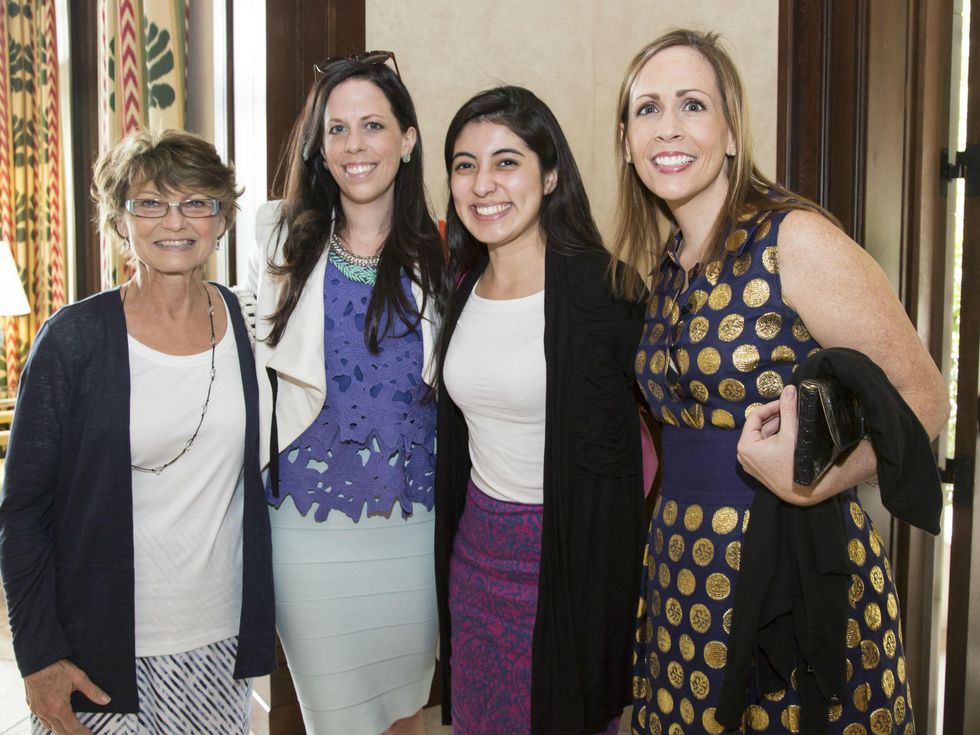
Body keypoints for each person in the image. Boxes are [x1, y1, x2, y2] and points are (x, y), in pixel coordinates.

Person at [613, 29, 949, 734]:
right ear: (625, 140)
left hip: (792, 569)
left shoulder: (791, 239)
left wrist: (818, 479)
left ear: (731, 133)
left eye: (692, 105)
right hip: (680, 569)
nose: (667, 128)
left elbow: (925, 396)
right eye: (647, 109)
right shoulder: (665, 266)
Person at [0, 128, 276, 735]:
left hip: (221, 638)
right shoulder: (72, 340)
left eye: (196, 201)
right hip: (101, 646)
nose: (174, 220)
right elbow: (22, 513)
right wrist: (40, 655)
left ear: (222, 217)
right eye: (150, 203)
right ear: (120, 220)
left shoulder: (246, 322)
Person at [434, 85, 646, 735]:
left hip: (569, 562)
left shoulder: (604, 288)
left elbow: (663, 431)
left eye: (507, 161)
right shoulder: (461, 286)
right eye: (465, 164)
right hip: (476, 558)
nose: (483, 183)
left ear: (550, 174)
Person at [246, 52, 444, 735]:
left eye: (373, 125)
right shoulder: (275, 242)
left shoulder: (447, 254)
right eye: (337, 129)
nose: (355, 145)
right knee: (338, 720)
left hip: (414, 525)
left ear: (408, 139)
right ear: (319, 145)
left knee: (405, 717)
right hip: (307, 528)